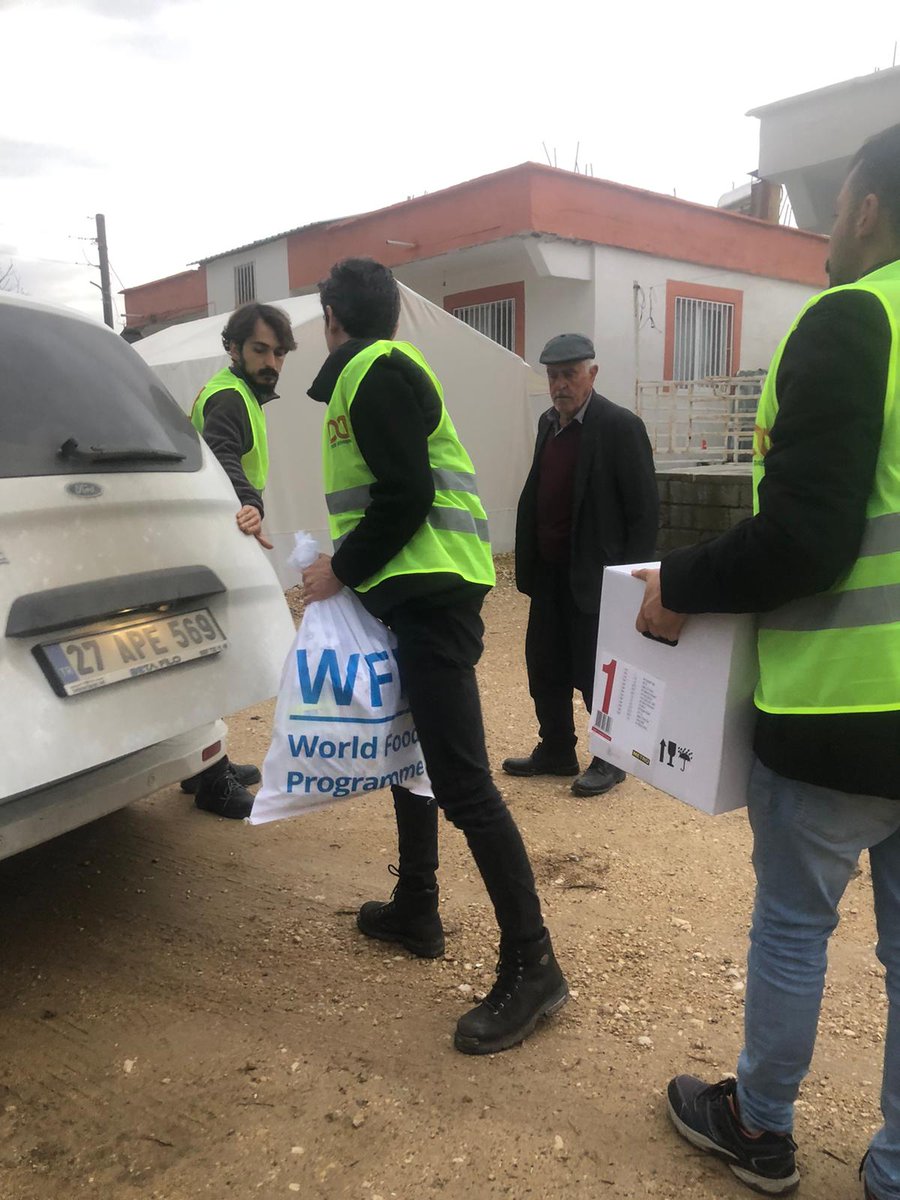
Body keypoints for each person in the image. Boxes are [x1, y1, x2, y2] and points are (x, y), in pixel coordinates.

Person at [635, 122, 900, 1198]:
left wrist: (679, 586)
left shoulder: (851, 320)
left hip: (843, 713)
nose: (828, 228)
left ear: (868, 209)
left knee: (795, 925)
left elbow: (805, 538)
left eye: (834, 204)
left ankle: (760, 1125)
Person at [302, 257, 568, 1054]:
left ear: (332, 316)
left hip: (430, 596)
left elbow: (408, 494)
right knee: (411, 752)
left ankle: (535, 963)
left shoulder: (372, 370)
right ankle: (416, 902)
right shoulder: (376, 368)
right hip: (416, 593)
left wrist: (338, 570)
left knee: (464, 783)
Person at [502, 333, 658, 796]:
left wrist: (632, 581)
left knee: (598, 672)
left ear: (592, 374)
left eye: (570, 374)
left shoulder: (620, 426)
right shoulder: (550, 424)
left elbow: (645, 512)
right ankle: (556, 749)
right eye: (553, 375)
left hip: (597, 576)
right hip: (551, 572)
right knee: (544, 665)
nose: (560, 384)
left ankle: (611, 759)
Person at [182, 301, 297, 819]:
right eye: (259, 349)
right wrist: (249, 502)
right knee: (210, 658)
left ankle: (203, 764)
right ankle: (211, 781)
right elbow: (222, 453)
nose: (271, 360)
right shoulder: (230, 397)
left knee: (204, 654)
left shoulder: (241, 394)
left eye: (278, 352)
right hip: (210, 545)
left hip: (211, 541)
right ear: (233, 348)